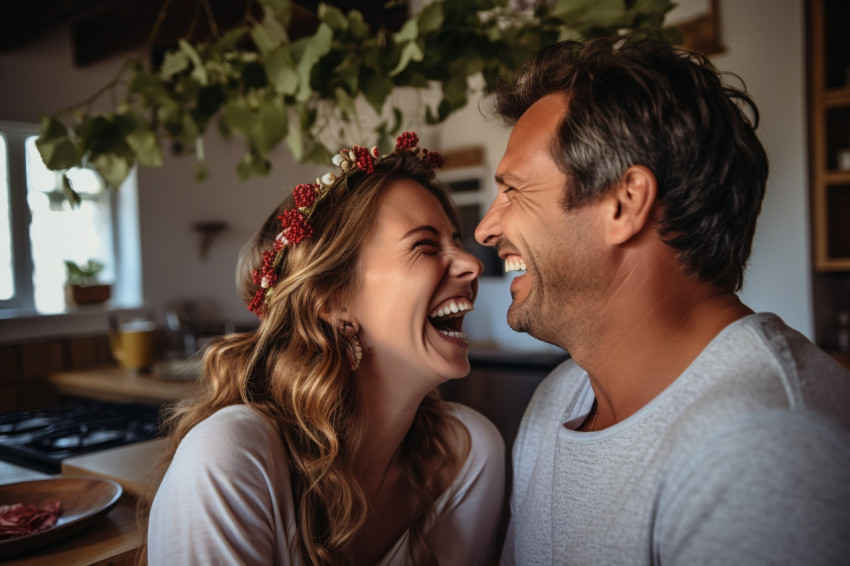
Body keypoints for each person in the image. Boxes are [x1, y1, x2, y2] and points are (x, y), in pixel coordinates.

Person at [474, 35, 850, 565]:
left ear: (625, 204)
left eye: (512, 190)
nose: (486, 229)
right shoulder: (557, 401)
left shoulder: (764, 447)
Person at [147, 132, 505, 565]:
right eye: (426, 245)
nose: (472, 264)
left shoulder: (469, 454)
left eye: (456, 241)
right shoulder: (228, 461)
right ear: (334, 302)